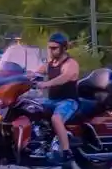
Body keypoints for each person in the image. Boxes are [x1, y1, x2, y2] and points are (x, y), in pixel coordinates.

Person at [33, 32, 80, 164]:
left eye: (54, 48)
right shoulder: (50, 63)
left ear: (63, 48)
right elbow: (36, 72)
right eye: (50, 48)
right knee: (31, 108)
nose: (51, 51)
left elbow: (64, 77)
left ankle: (66, 151)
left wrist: (45, 84)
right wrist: (22, 76)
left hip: (68, 101)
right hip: (52, 101)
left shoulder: (70, 64)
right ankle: (39, 143)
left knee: (56, 118)